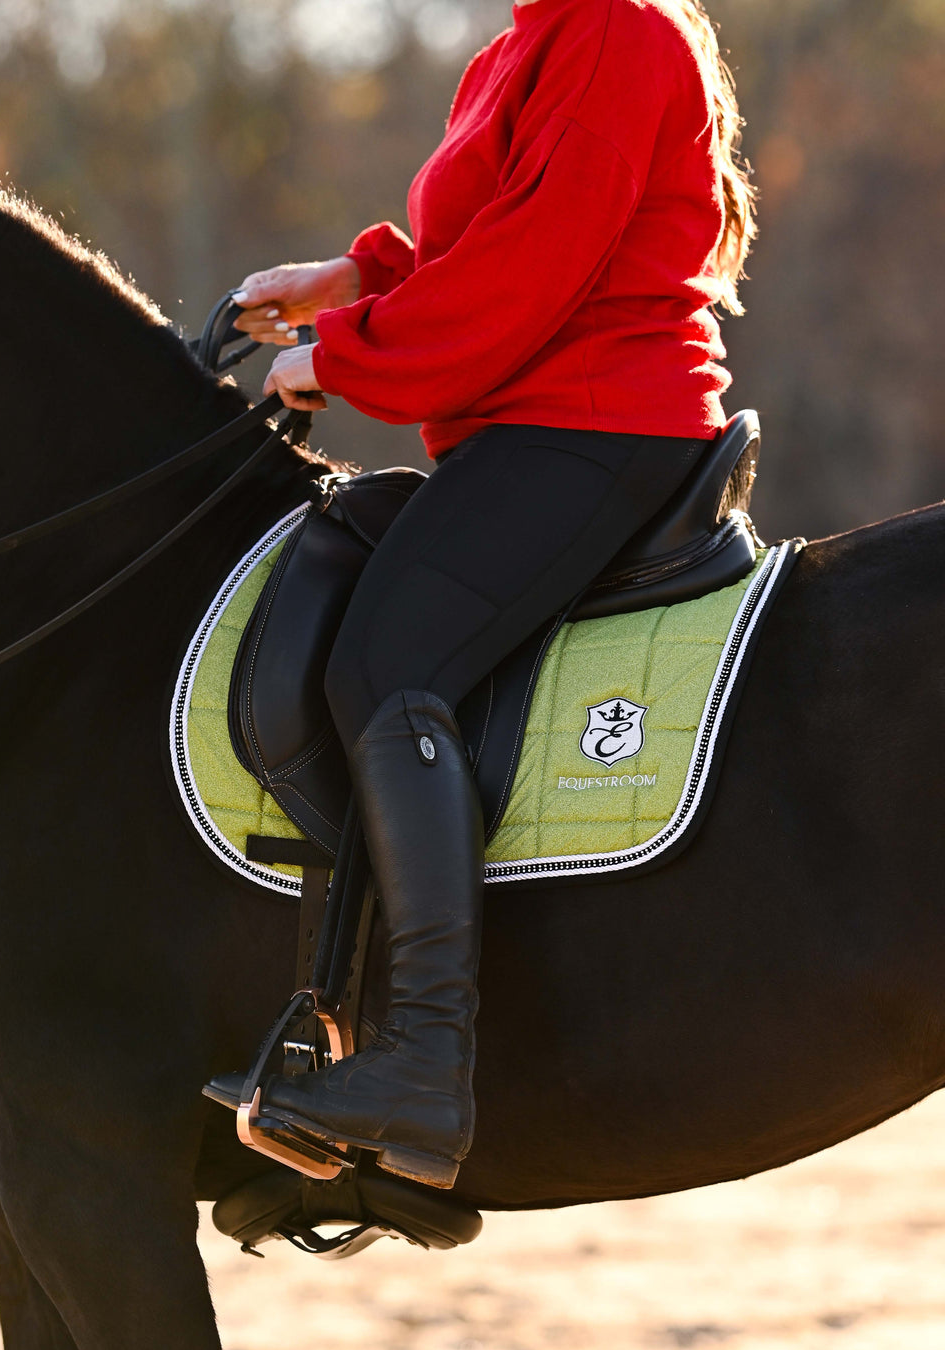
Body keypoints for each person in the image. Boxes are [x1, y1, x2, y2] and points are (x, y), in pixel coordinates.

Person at [214, 0, 756, 1190]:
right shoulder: (520, 44)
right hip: (534, 418)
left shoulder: (614, 29)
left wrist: (343, 354)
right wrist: (359, 276)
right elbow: (494, 243)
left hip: (598, 419)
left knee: (384, 668)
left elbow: (535, 268)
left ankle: (422, 1064)